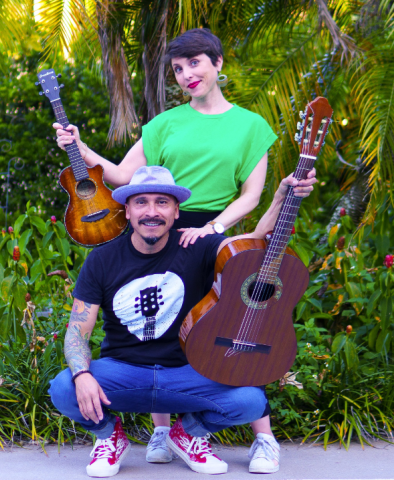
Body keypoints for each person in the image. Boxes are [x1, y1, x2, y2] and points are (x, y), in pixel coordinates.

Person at [53, 28, 280, 468]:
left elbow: (251, 195)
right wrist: (77, 144)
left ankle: (263, 436)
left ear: (217, 63)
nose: (186, 74)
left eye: (194, 63)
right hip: (160, 220)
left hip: (217, 232)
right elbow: (121, 176)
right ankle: (162, 432)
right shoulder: (165, 124)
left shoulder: (252, 125)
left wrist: (213, 227)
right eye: (178, 68)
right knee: (160, 318)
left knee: (232, 322)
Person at [49, 166, 317, 477]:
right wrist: (82, 375)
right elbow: (77, 330)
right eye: (141, 202)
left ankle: (187, 434)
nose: (152, 212)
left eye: (162, 202)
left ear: (176, 212)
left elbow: (256, 240)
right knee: (64, 388)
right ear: (127, 210)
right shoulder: (102, 259)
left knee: (251, 400)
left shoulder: (198, 247)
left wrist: (281, 198)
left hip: (188, 373)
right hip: (124, 372)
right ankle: (110, 437)